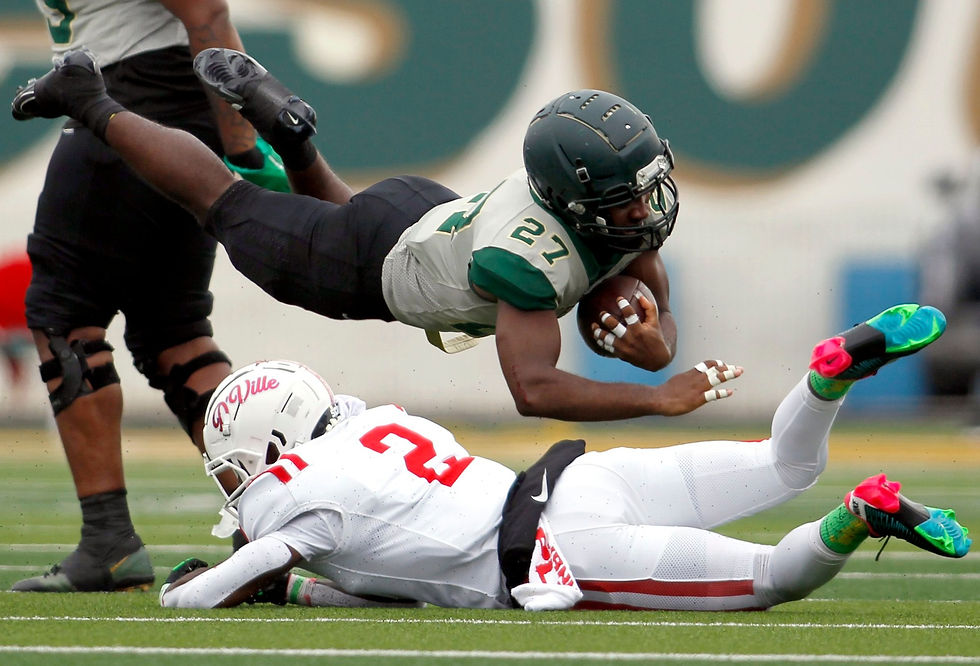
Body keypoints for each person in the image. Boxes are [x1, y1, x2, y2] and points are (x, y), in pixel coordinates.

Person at [11, 47, 699, 425]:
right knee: (218, 199)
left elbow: (651, 298)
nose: (644, 212)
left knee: (335, 217)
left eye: (645, 191)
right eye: (625, 203)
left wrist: (653, 347)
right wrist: (657, 397)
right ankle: (87, 97)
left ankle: (293, 141)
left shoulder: (614, 213)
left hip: (417, 213)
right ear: (573, 197)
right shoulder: (525, 260)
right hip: (379, 258)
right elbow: (536, 390)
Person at [157, 303, 971, 611]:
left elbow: (228, 577)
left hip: (556, 551)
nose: (238, 482)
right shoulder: (375, 425)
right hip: (575, 478)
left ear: (273, 444)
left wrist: (194, 590)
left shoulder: (292, 493)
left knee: (770, 579)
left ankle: (863, 513)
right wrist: (298, 590)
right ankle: (829, 374)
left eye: (237, 464)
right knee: (784, 465)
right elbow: (379, 576)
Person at [8, 3, 290, 593]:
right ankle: (279, 519)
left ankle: (109, 539)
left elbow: (204, 10)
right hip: (167, 104)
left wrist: (241, 142)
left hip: (129, 98)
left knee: (63, 314)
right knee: (174, 332)